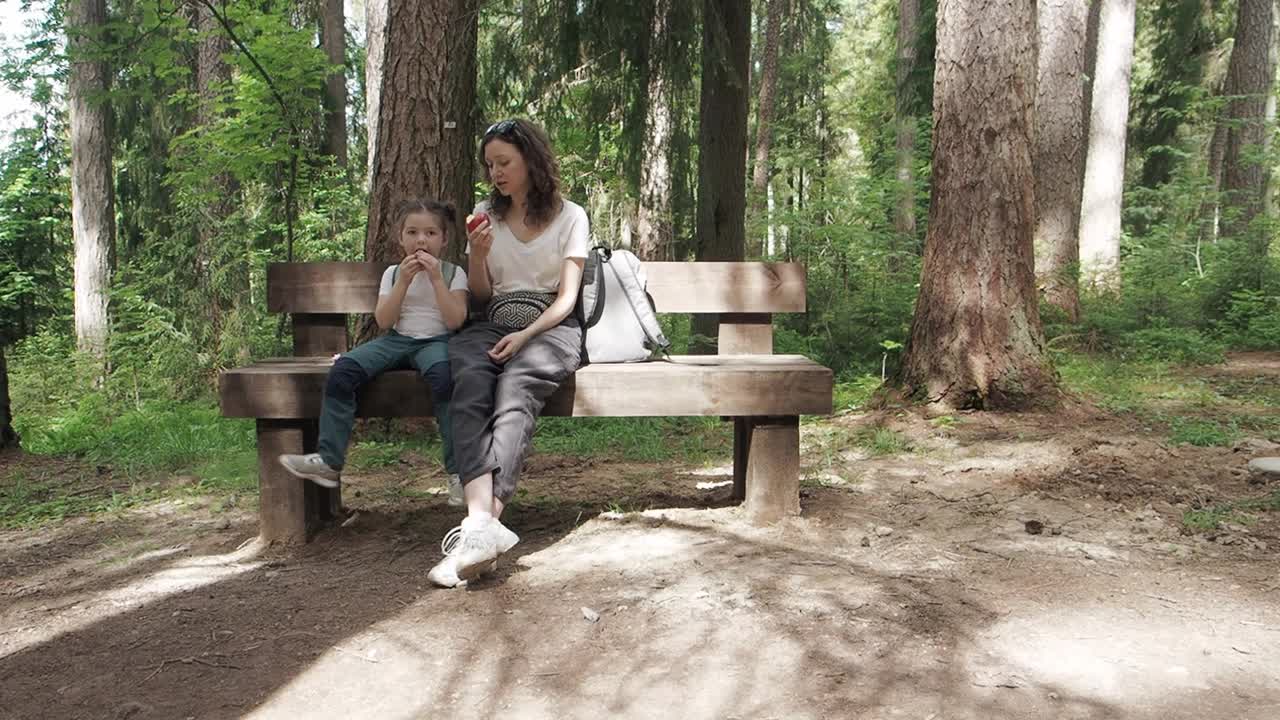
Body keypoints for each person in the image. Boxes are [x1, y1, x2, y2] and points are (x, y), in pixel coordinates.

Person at [427, 119, 588, 588]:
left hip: (551, 326)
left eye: (504, 162)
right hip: (493, 320)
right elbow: (480, 296)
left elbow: (566, 299)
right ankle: (482, 527)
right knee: (470, 379)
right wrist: (476, 256)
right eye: (489, 164)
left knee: (517, 388)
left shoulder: (570, 215)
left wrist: (524, 337)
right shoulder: (485, 213)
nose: (495, 172)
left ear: (531, 161)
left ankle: (478, 529)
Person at [279, 199, 470, 504]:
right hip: (397, 339)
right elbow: (384, 320)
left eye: (431, 233)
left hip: (437, 342)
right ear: (401, 238)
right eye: (412, 232)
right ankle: (329, 461)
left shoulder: (452, 273)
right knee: (344, 371)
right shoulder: (393, 274)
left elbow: (455, 320)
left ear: (444, 239)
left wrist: (434, 279)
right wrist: (404, 282)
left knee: (446, 378)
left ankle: (458, 474)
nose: (421, 240)